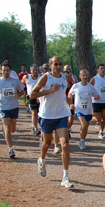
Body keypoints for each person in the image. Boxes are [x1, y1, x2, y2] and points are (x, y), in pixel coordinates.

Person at [30, 56, 74, 188]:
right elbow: (32, 94)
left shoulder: (64, 78)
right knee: (46, 143)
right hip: (47, 115)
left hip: (61, 114)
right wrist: (49, 90)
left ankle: (65, 177)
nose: (58, 67)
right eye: (55, 64)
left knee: (65, 144)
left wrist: (67, 100)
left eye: (60, 64)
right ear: (50, 65)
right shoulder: (45, 78)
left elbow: (61, 94)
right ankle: (42, 160)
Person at [0, 61, 25, 158]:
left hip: (14, 106)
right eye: (4, 70)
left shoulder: (15, 80)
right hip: (3, 107)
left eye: (7, 70)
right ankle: (10, 149)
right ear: (1, 71)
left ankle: (7, 131)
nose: (6, 72)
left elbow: (23, 91)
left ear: (10, 71)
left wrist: (17, 95)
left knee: (13, 129)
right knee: (7, 127)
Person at [68, 69, 100, 150]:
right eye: (83, 75)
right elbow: (70, 94)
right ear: (80, 76)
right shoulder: (76, 86)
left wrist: (96, 96)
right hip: (79, 109)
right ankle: (82, 141)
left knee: (86, 127)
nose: (85, 77)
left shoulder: (90, 87)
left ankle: (82, 140)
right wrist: (70, 103)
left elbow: (95, 94)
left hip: (88, 110)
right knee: (84, 124)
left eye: (86, 75)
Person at [91, 63, 105, 139]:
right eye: (101, 68)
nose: (103, 70)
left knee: (104, 117)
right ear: (97, 70)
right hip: (96, 102)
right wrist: (94, 96)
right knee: (98, 119)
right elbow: (89, 88)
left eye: (104, 68)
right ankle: (90, 118)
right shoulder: (94, 79)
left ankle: (101, 132)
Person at [22, 64, 41, 135]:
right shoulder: (26, 77)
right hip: (31, 97)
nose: (35, 71)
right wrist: (23, 92)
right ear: (30, 71)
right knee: (34, 112)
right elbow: (21, 85)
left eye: (36, 70)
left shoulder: (41, 77)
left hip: (39, 97)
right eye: (34, 70)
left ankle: (35, 125)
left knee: (40, 113)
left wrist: (39, 97)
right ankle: (35, 128)